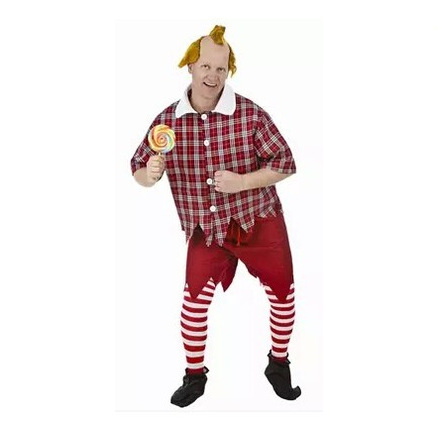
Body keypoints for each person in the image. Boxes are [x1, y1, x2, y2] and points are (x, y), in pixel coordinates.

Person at [131, 25, 301, 407]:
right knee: (192, 305)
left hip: (259, 220)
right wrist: (150, 174)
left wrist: (243, 182)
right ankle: (194, 376)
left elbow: (286, 163)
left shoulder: (250, 114)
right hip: (206, 229)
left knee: (284, 295)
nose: (212, 76)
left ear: (229, 71)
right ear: (190, 66)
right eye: (206, 66)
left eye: (221, 69)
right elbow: (138, 169)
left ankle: (278, 363)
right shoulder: (168, 122)